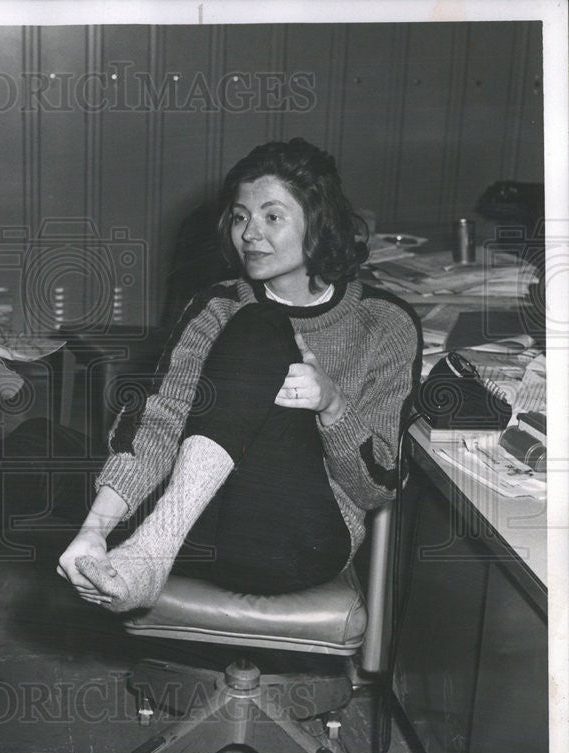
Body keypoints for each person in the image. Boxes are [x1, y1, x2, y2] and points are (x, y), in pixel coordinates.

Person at [55, 137, 422, 611]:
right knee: (45, 443)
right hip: (198, 533)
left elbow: (377, 488)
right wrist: (95, 530)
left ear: (321, 223)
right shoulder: (215, 304)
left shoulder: (384, 322)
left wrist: (333, 407)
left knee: (260, 323)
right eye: (240, 216)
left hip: (298, 542)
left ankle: (150, 549)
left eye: (272, 216)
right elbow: (161, 424)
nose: (249, 233)